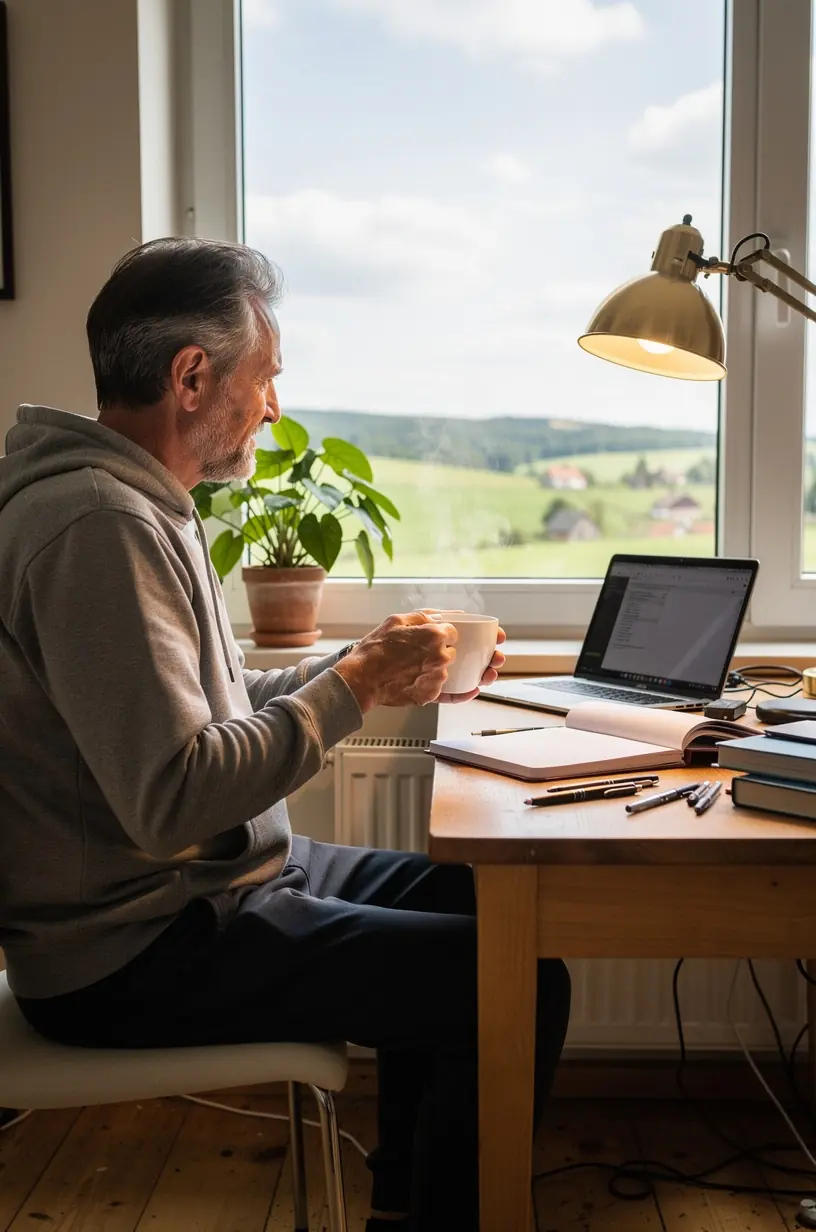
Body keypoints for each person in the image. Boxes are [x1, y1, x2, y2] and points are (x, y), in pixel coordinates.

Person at [0, 238, 571, 1231]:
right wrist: (357, 681)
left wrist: (377, 659)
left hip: (217, 888)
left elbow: (217, 701)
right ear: (191, 376)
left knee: (500, 912)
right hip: (137, 947)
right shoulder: (96, 526)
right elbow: (173, 795)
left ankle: (414, 1207)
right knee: (518, 979)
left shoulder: (131, 501)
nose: (274, 405)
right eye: (265, 377)